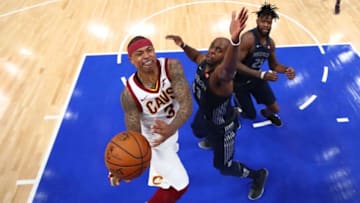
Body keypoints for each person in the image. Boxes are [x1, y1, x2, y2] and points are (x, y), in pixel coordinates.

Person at [166, 8, 268, 200]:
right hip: (207, 115)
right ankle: (232, 117)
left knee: (223, 167)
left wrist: (235, 40)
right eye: (212, 46)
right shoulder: (206, 61)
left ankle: (258, 175)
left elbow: (229, 69)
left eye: (219, 50)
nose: (212, 51)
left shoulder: (222, 78)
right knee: (197, 130)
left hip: (222, 128)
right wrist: (183, 45)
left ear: (226, 56)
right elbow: (197, 55)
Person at [108, 36, 193, 203]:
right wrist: (119, 166)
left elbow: (186, 104)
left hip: (171, 131)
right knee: (182, 184)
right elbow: (134, 134)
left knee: (173, 151)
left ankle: (165, 176)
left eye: (149, 50)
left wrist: (171, 128)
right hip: (155, 144)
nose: (146, 56)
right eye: (139, 54)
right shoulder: (129, 94)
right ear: (131, 60)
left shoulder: (172, 67)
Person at [233, 3, 296, 127]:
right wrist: (261, 74)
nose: (266, 25)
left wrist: (287, 70)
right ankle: (234, 110)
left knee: (275, 109)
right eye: (263, 21)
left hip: (256, 80)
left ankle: (265, 113)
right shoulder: (248, 39)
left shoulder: (270, 43)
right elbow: (235, 64)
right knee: (250, 115)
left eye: (269, 22)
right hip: (240, 83)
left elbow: (274, 65)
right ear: (257, 21)